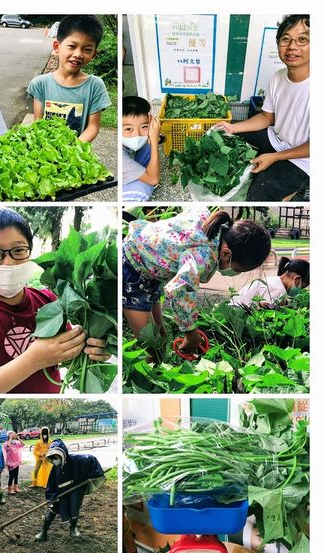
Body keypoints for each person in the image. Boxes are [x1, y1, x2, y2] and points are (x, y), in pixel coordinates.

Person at [0, 207, 110, 393]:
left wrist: (93, 349)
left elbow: (66, 352)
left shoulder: (50, 300)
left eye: (19, 250)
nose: (9, 262)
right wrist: (33, 359)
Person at [123, 208, 272, 357]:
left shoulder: (210, 224)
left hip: (150, 268)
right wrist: (191, 333)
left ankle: (159, 364)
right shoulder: (203, 256)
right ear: (226, 254)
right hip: (133, 268)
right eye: (237, 269)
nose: (235, 273)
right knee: (151, 347)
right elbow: (179, 289)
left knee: (160, 339)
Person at [215, 15, 309, 201]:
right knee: (225, 140)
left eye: (303, 39)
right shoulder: (278, 77)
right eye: (285, 39)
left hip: (304, 158)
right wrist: (232, 127)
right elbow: (267, 118)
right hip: (277, 140)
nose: (292, 46)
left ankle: (297, 191)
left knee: (258, 195)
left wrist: (275, 157)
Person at [28, 15, 111, 141]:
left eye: (87, 49)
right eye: (72, 46)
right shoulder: (40, 84)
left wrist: (72, 150)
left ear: (94, 54)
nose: (78, 54)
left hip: (77, 155)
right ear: (57, 47)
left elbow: (93, 127)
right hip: (44, 152)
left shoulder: (95, 85)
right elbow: (38, 122)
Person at [35, 439, 105, 541]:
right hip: (61, 492)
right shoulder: (55, 468)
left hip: (76, 488)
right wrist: (52, 497)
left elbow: (91, 460)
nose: (55, 460)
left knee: (74, 507)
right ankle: (43, 532)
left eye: (56, 457)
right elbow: (51, 484)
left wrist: (93, 475)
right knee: (53, 508)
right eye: (53, 458)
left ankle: (73, 529)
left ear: (63, 454)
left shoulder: (77, 460)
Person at [121, 96, 161, 201]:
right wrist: (154, 140)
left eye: (144, 127)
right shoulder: (121, 158)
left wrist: (155, 137)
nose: (137, 135)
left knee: (149, 145)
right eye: (128, 129)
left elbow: (159, 139)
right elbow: (154, 179)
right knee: (141, 190)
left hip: (130, 166)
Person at [231, 257, 309, 309]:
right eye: (301, 287)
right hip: (236, 314)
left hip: (232, 308)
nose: (299, 291)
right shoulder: (279, 290)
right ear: (297, 280)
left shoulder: (274, 281)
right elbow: (267, 314)